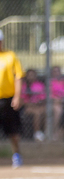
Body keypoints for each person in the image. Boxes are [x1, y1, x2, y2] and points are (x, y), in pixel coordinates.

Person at [0, 28, 24, 167]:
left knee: (13, 132)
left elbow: (18, 76)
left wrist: (17, 96)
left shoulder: (10, 56)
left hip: (8, 99)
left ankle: (16, 155)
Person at [21, 69, 46, 142]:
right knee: (37, 113)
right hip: (28, 107)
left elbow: (43, 98)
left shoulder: (39, 85)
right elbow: (23, 101)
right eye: (29, 75)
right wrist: (31, 104)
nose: (31, 77)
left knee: (46, 111)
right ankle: (37, 133)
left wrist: (38, 104)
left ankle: (46, 132)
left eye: (32, 75)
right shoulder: (24, 86)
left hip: (39, 106)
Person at [50, 66, 64, 140]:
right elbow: (50, 95)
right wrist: (57, 100)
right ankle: (55, 131)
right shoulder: (50, 82)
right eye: (54, 71)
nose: (56, 73)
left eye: (58, 71)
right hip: (54, 103)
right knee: (58, 110)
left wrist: (62, 100)